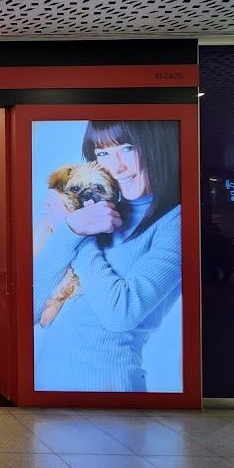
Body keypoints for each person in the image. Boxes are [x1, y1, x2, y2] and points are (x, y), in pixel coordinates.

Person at [33, 120, 182, 393]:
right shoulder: (99, 212)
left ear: (156, 146)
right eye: (102, 153)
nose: (117, 166)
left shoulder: (176, 222)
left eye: (128, 148)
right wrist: (70, 229)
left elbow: (120, 313)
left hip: (106, 386)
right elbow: (30, 307)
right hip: (45, 381)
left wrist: (76, 232)